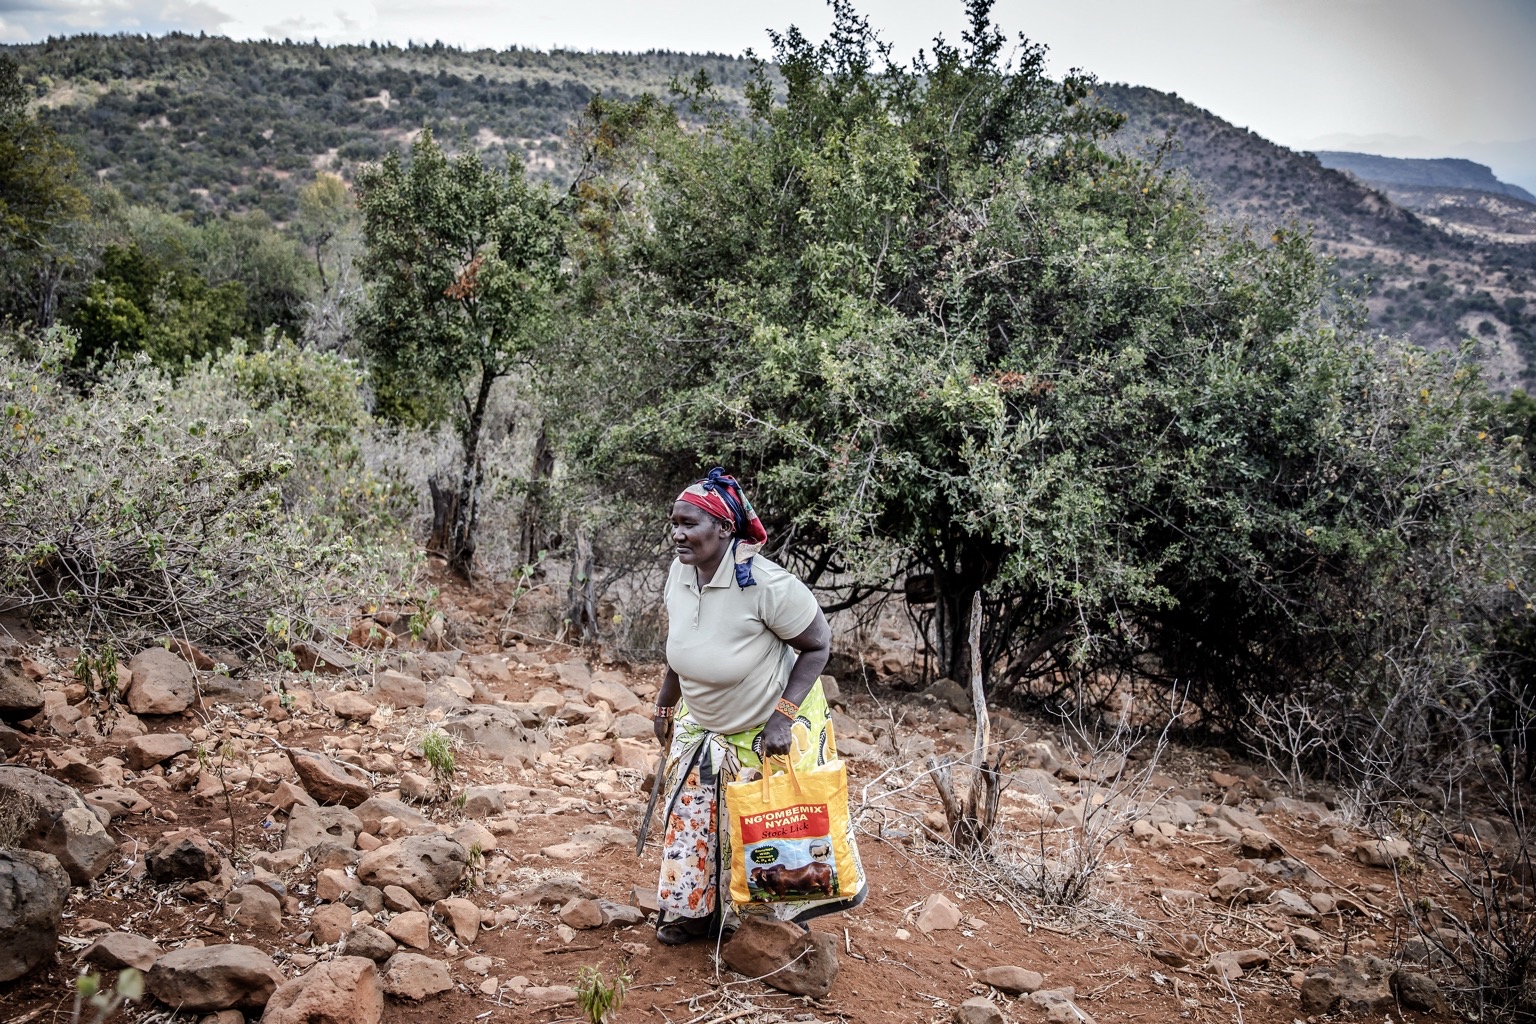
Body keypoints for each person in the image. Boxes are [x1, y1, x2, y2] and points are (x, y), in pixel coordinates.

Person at [642, 468, 866, 945]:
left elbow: (818, 644)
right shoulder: (679, 573)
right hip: (701, 725)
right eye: (674, 523)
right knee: (694, 822)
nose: (677, 534)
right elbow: (681, 647)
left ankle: (765, 927)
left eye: (690, 524)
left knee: (760, 833)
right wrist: (664, 707)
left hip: (760, 727)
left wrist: (782, 716)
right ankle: (694, 913)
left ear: (725, 529)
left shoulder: (766, 584)